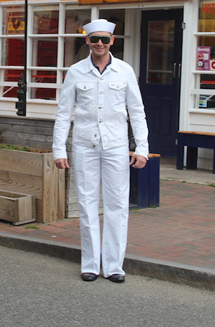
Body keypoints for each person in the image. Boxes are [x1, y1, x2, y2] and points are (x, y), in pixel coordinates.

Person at [52, 19, 149, 283]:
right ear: (87, 41)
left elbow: (137, 111)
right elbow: (63, 113)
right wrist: (58, 149)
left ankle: (115, 266)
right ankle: (91, 264)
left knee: (118, 204)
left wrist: (141, 147)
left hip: (117, 146)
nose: (99, 44)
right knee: (87, 203)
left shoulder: (125, 71)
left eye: (104, 40)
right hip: (85, 146)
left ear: (112, 42)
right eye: (94, 39)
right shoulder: (75, 72)